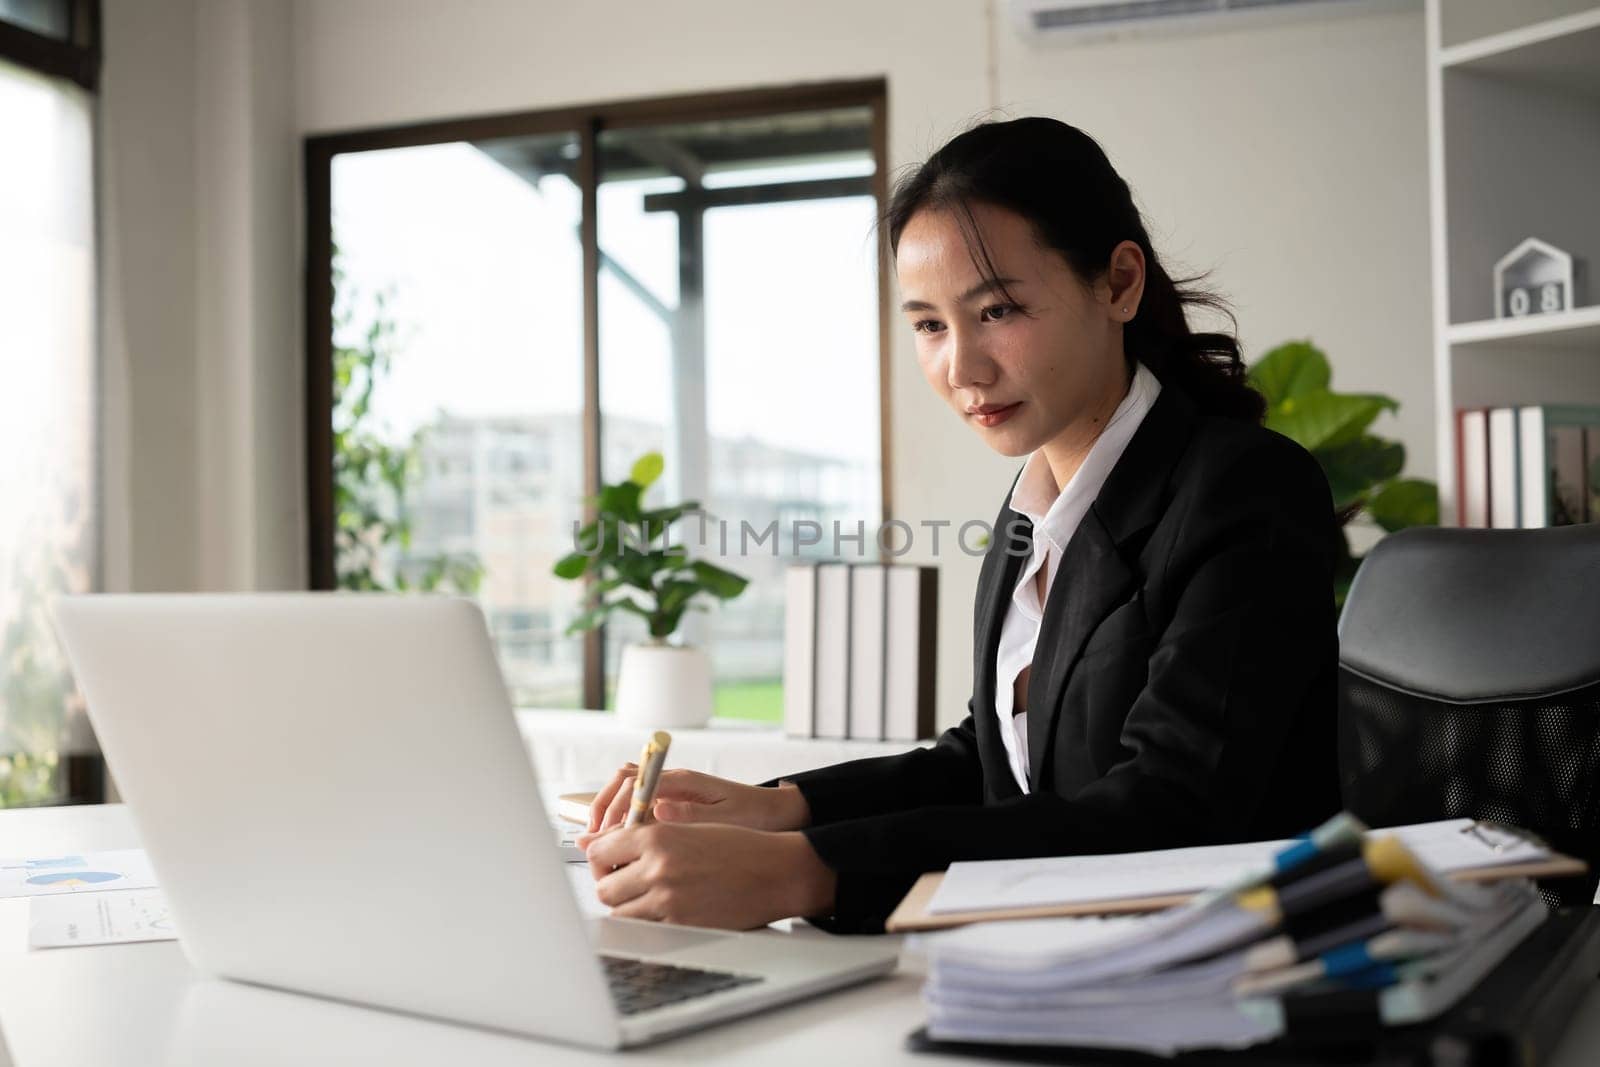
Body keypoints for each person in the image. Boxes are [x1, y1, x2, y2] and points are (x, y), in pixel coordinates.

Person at [578, 116, 1341, 934]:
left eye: (999, 310)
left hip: (1210, 974)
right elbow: (987, 760)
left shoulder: (1245, 487)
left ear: (1119, 283)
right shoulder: (1034, 506)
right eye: (930, 325)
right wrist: (782, 809)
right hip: (1036, 957)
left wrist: (810, 874)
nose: (961, 368)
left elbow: (1166, 811)